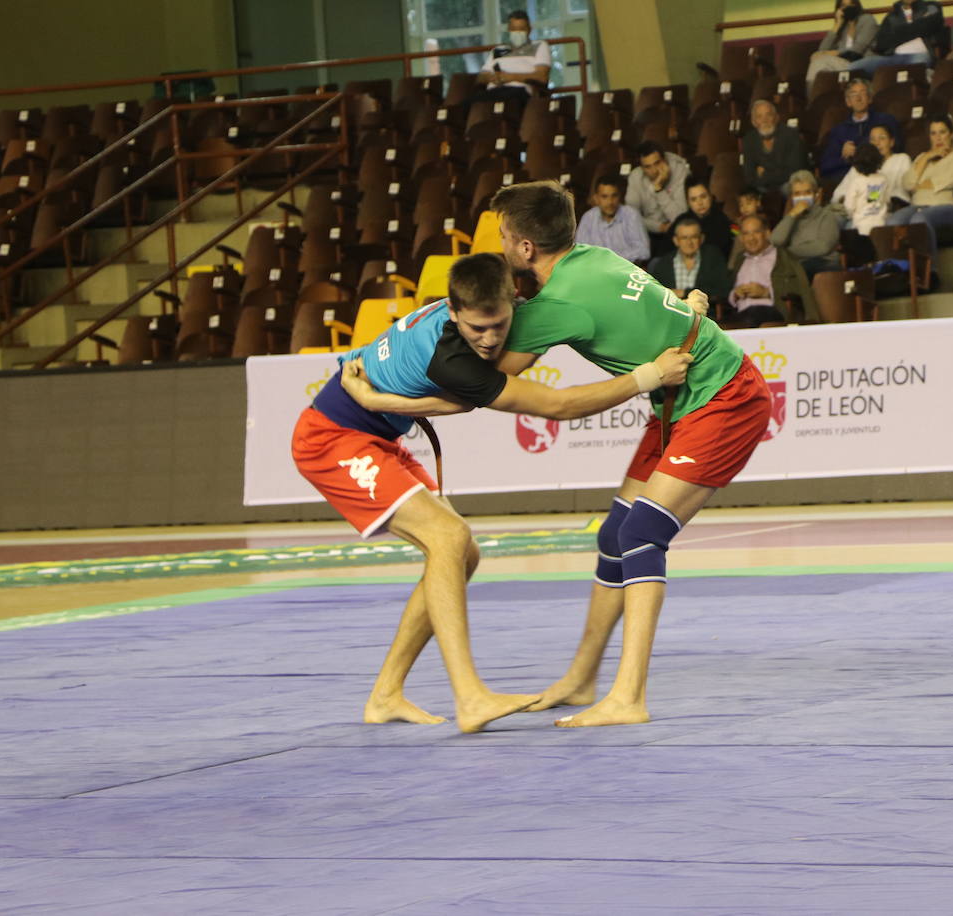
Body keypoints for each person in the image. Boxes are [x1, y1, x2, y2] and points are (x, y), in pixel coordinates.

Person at [293, 253, 692, 733]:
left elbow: (461, 400)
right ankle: (470, 697)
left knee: (463, 553)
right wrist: (648, 377)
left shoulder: (492, 325)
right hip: (332, 438)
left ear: (512, 302)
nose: (488, 340)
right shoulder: (453, 358)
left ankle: (385, 695)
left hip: (374, 431)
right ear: (454, 312)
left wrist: (380, 402)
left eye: (499, 326)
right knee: (446, 538)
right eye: (476, 329)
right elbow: (559, 405)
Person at [488, 180, 775, 728]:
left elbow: (497, 368)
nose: (501, 243)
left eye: (504, 235)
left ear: (526, 248)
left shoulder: (555, 302)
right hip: (680, 396)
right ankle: (581, 680)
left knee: (642, 533)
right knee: (613, 535)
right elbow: (660, 311)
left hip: (721, 396)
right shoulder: (592, 256)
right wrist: (691, 307)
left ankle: (628, 697)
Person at [889, 115, 953, 252]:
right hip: (918, 206)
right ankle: (897, 268)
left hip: (950, 207)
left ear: (952, 135)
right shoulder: (922, 157)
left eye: (942, 132)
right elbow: (907, 184)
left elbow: (951, 179)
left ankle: (930, 271)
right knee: (892, 222)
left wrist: (921, 185)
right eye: (933, 133)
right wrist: (927, 157)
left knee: (919, 219)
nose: (938, 138)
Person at [728, 214, 818, 326]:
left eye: (756, 232)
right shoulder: (739, 260)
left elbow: (799, 288)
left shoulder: (782, 257)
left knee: (752, 314)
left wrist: (767, 292)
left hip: (772, 312)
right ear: (741, 238)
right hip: (741, 314)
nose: (751, 238)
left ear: (767, 233)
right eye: (746, 234)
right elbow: (728, 292)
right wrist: (735, 294)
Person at [817, 78, 902, 181]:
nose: (858, 98)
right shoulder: (838, 131)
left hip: (881, 174)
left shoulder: (885, 121)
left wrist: (859, 153)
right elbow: (825, 166)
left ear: (870, 98)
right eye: (853, 95)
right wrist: (844, 158)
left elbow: (896, 148)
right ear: (848, 102)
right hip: (849, 180)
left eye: (863, 93)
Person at [470, 10, 551, 119]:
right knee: (466, 105)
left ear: (529, 30)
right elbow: (480, 78)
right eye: (514, 29)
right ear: (509, 30)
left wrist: (510, 77)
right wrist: (491, 77)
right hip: (494, 91)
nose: (517, 33)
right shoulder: (498, 50)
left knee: (506, 100)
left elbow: (542, 77)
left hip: (519, 91)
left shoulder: (539, 46)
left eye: (521, 29)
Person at [648, 215, 733, 306]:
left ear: (701, 239)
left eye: (694, 237)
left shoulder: (713, 257)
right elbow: (653, 294)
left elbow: (723, 290)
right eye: (684, 238)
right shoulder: (664, 263)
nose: (689, 242)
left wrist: (684, 292)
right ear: (676, 240)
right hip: (672, 314)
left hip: (705, 315)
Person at [772, 169, 843, 276]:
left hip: (824, 265)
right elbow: (775, 241)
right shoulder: (790, 219)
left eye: (807, 192)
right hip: (797, 267)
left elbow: (822, 247)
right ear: (791, 197)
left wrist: (788, 252)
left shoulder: (827, 215)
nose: (802, 198)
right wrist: (792, 215)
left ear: (816, 194)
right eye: (797, 194)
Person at [625, 141, 691, 257]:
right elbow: (631, 218)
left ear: (664, 159)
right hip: (648, 231)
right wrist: (659, 227)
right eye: (648, 167)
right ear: (641, 168)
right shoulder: (635, 177)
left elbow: (680, 217)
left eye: (657, 163)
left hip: (679, 230)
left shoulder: (680, 171)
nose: (654, 170)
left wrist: (659, 190)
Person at [852, 0, 944, 76]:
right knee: (853, 68)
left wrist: (896, 33)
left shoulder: (931, 7)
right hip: (893, 58)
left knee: (915, 69)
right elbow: (880, 43)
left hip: (919, 55)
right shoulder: (891, 16)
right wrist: (917, 27)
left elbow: (930, 25)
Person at [575, 175, 651, 263]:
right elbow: (580, 253)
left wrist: (610, 261)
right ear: (596, 198)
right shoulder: (588, 218)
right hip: (597, 271)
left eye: (614, 196)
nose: (610, 202)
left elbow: (644, 251)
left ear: (620, 196)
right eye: (604, 196)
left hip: (626, 271)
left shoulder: (631, 215)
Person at [742, 99, 809, 194]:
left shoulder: (791, 136)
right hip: (762, 187)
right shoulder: (749, 140)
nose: (764, 120)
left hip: (788, 184)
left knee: (790, 188)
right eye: (759, 116)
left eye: (768, 115)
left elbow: (795, 171)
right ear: (754, 122)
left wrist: (764, 174)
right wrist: (777, 171)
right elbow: (749, 176)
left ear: (776, 117)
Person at [807, 0, 879, 82]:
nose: (848, 8)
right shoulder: (843, 27)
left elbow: (858, 50)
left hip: (861, 63)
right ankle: (819, 93)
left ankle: (811, 94)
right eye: (843, 5)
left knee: (819, 62)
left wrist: (836, 53)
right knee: (818, 61)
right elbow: (822, 49)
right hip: (843, 64)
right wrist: (837, 25)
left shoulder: (867, 20)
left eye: (851, 4)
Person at [831, 142, 890, 235]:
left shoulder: (856, 181)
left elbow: (849, 206)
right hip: (880, 224)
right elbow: (886, 200)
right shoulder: (883, 179)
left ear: (856, 162)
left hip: (860, 226)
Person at [673, 177, 733, 259]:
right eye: (694, 199)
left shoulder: (722, 221)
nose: (700, 203)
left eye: (703, 197)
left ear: (710, 197)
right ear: (688, 202)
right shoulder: (681, 221)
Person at [869, 123, 913, 206]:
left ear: (891, 142)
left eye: (882, 138)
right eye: (872, 139)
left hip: (893, 208)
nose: (876, 143)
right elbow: (841, 192)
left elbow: (903, 191)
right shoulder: (862, 164)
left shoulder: (902, 159)